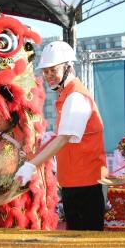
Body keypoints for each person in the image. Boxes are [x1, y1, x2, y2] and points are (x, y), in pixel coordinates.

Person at [14, 41, 107, 231]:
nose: (48, 76)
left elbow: (64, 138)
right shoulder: (67, 95)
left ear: (68, 67)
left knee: (86, 241)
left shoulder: (75, 97)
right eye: (45, 71)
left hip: (86, 184)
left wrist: (32, 164)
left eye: (53, 70)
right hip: (76, 182)